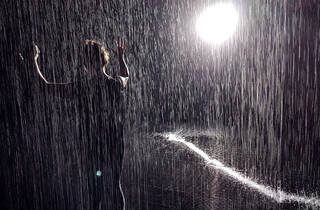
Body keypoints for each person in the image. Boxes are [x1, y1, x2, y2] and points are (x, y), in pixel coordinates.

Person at [33, 38, 129, 210]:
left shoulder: (81, 88)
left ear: (85, 64)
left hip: (93, 144)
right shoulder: (114, 84)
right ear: (104, 61)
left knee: (95, 189)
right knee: (115, 185)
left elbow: (45, 86)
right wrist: (121, 57)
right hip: (114, 142)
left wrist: (34, 60)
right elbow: (126, 76)